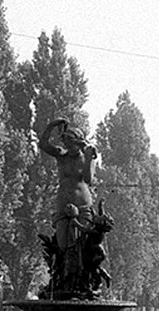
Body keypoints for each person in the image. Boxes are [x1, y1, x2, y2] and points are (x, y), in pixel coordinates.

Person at [40, 118, 102, 296]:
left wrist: (90, 158)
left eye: (70, 142)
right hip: (62, 201)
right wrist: (51, 125)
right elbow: (43, 144)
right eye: (65, 141)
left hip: (82, 202)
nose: (66, 145)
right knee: (62, 243)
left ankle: (81, 284)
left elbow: (89, 179)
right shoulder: (61, 155)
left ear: (78, 142)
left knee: (81, 244)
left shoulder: (86, 156)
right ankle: (63, 280)